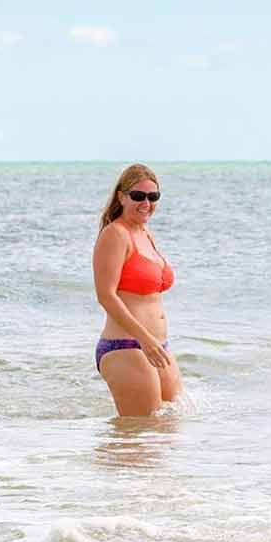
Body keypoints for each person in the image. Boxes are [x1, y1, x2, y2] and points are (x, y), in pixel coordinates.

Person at [92, 164, 182, 416]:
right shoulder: (115, 235)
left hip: (157, 346)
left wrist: (153, 343)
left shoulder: (145, 234)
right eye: (138, 196)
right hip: (126, 346)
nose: (146, 203)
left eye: (153, 197)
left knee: (167, 434)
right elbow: (106, 296)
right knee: (138, 438)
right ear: (121, 196)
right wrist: (144, 338)